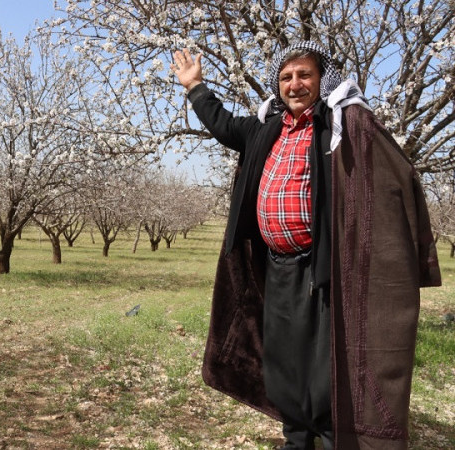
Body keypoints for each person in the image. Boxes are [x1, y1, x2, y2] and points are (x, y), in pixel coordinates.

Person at [171, 42, 441, 450]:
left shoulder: (341, 126)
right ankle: (296, 438)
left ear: (321, 80)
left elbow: (392, 170)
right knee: (283, 358)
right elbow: (223, 125)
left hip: (321, 266)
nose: (294, 85)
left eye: (304, 75)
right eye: (286, 77)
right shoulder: (266, 127)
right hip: (276, 265)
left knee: (323, 363)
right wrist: (195, 88)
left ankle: (333, 438)